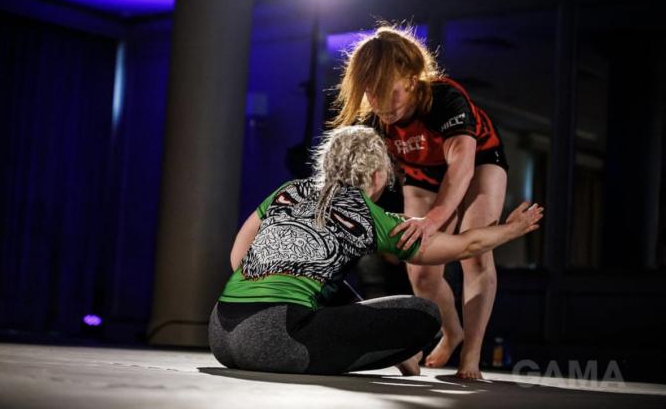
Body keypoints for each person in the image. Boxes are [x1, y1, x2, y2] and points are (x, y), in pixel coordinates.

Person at [209, 126, 542, 376]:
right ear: (379, 175)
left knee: (332, 286)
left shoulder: (289, 190)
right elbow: (464, 246)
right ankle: (398, 353)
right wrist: (511, 230)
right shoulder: (369, 214)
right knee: (425, 313)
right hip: (277, 340)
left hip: (221, 333)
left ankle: (394, 354)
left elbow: (239, 257)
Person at [331, 25, 510, 379]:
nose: (379, 102)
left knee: (475, 253)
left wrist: (434, 220)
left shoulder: (445, 98)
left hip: (478, 163)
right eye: (371, 92)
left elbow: (461, 169)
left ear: (412, 80)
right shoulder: (378, 117)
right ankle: (451, 332)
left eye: (389, 92)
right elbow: (373, 179)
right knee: (422, 271)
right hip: (423, 174)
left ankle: (472, 354)